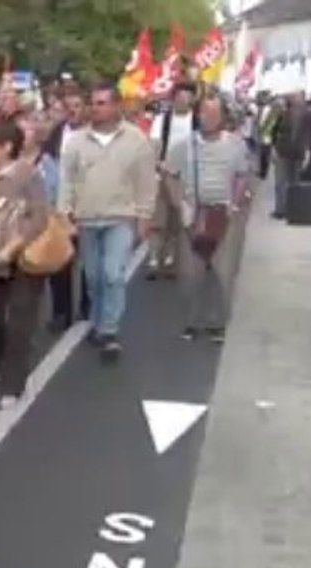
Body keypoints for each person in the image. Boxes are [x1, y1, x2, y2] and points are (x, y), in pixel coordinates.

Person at [59, 84, 157, 361]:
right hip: (87, 217)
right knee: (93, 277)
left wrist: (144, 217)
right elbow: (67, 180)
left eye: (102, 103)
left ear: (116, 106)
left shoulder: (136, 140)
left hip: (121, 218)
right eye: (94, 103)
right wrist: (64, 213)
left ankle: (109, 330)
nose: (96, 108)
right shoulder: (76, 141)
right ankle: (97, 319)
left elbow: (146, 183)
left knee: (113, 274)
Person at [0, 121, 51, 407]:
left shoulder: (27, 175)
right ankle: (1, 359)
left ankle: (13, 384)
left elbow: (40, 216)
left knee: (20, 321)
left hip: (22, 260)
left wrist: (12, 246)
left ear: (7, 147)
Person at [167, 95, 252, 344]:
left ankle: (218, 322)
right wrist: (179, 203)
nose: (209, 118)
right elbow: (170, 175)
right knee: (191, 273)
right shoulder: (185, 145)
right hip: (194, 213)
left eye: (215, 114)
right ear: (197, 115)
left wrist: (235, 205)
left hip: (224, 213)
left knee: (223, 272)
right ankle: (192, 321)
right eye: (205, 113)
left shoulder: (236, 145)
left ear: (223, 117)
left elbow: (243, 176)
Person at [46, 84, 91, 331]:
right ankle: (60, 311)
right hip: (59, 206)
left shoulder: (91, 136)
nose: (73, 111)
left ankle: (87, 306)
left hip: (85, 206)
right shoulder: (55, 134)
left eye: (77, 106)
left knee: (86, 261)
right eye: (68, 107)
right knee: (59, 261)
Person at [149, 83, 197, 280]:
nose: (182, 101)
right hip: (162, 174)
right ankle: (153, 259)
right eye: (179, 97)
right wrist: (157, 165)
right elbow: (154, 144)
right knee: (158, 219)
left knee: (176, 221)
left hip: (186, 177)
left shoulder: (197, 122)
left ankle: (170, 257)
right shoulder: (162, 120)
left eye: (187, 97)